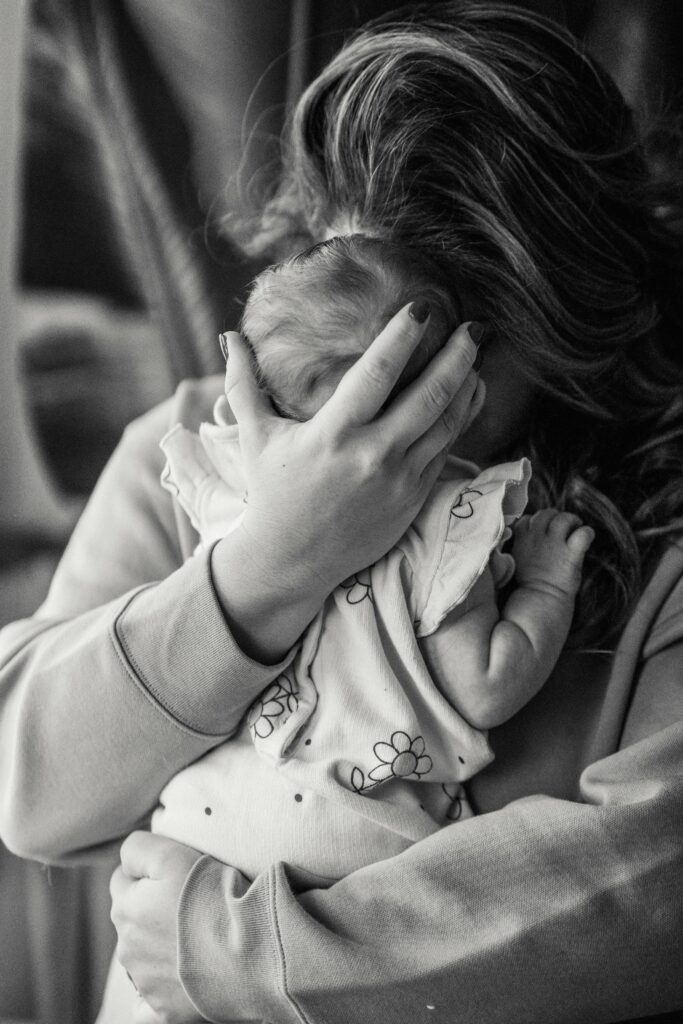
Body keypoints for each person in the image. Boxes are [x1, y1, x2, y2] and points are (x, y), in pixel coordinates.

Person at [1, 3, 682, 1023]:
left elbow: (648, 892)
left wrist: (242, 950)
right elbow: (30, 789)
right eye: (351, 316)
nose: (373, 394)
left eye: (456, 348)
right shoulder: (192, 452)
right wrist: (268, 568)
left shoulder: (645, 526)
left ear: (564, 324)